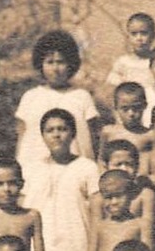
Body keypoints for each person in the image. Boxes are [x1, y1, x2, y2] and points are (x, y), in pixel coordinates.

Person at [22, 108, 101, 251]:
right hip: (42, 244)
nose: (56, 135)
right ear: (43, 135)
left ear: (73, 134)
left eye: (63, 129)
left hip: (75, 243)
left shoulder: (87, 168)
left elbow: (97, 212)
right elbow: (23, 211)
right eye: (50, 130)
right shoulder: (31, 169)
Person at [15, 30, 100, 170]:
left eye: (61, 62)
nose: (55, 68)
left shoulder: (82, 97)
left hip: (75, 171)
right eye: (50, 62)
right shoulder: (30, 97)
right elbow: (21, 139)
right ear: (40, 64)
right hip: (36, 171)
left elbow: (95, 139)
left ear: (71, 64)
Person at [86, 168, 149, 251]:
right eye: (108, 197)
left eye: (119, 196)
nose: (113, 202)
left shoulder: (140, 224)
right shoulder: (99, 226)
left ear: (131, 194)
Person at [106, 12, 155, 89]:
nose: (139, 38)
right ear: (128, 37)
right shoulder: (123, 63)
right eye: (134, 34)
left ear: (153, 35)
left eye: (144, 33)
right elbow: (113, 87)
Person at [101, 82, 153, 156]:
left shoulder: (149, 135)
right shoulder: (108, 132)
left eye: (136, 108)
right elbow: (101, 160)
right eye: (125, 109)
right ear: (116, 107)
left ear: (144, 106)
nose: (131, 113)